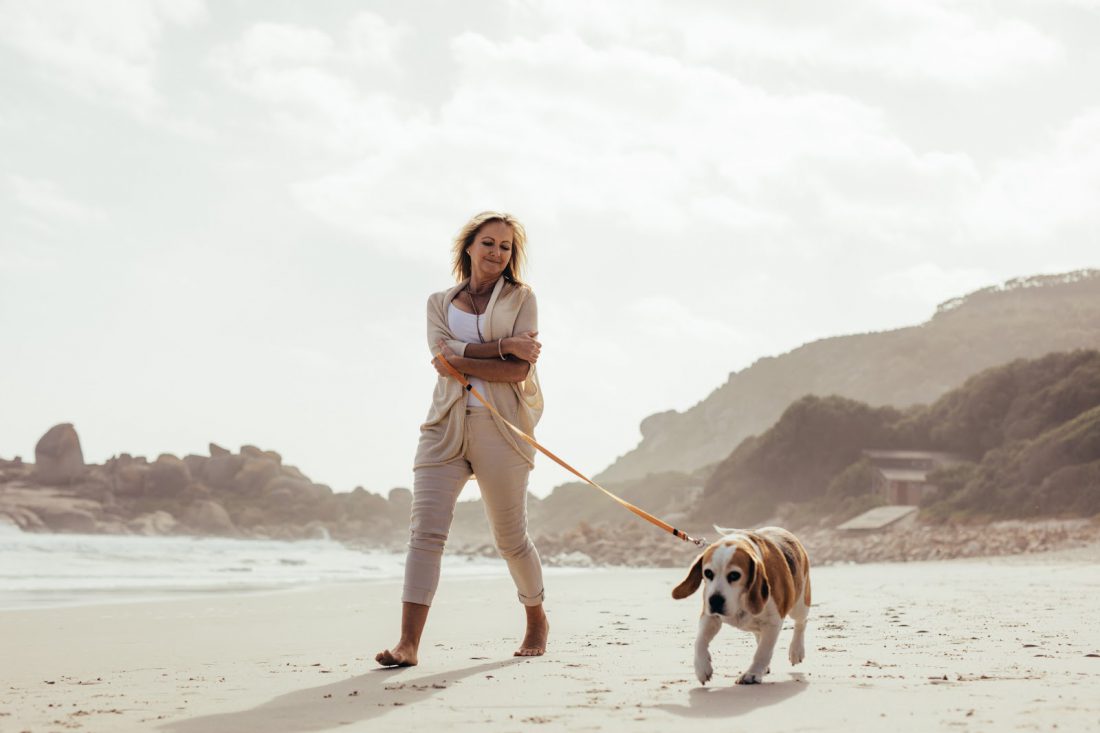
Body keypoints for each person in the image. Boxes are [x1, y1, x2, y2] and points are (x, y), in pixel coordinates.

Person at [375, 211, 548, 667]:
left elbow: (517, 371)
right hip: (444, 426)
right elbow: (442, 361)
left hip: (502, 429)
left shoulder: (521, 298)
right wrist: (501, 346)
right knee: (425, 534)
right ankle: (408, 644)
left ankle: (535, 618)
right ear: (469, 247)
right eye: (488, 243)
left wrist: (473, 356)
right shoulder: (438, 302)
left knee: (511, 539)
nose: (496, 253)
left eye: (505, 247)